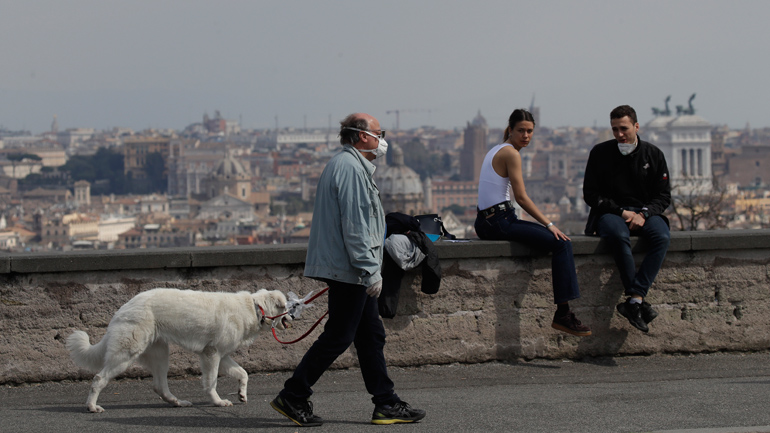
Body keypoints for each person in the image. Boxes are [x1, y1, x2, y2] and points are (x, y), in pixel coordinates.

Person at [270, 113, 426, 427]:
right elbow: (356, 228)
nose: (382, 139)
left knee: (370, 336)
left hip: (349, 267)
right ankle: (293, 395)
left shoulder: (347, 165)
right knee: (339, 336)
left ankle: (386, 402)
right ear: (362, 136)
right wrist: (371, 271)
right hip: (351, 269)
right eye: (379, 133)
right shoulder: (351, 169)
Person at [474, 109, 591, 337]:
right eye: (521, 130)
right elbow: (521, 198)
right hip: (499, 221)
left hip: (486, 221)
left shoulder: (496, 149)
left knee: (552, 240)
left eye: (529, 131)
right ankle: (563, 314)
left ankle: (564, 314)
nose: (526, 135)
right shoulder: (511, 153)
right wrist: (549, 224)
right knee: (562, 243)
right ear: (510, 130)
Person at [583, 105, 671, 333]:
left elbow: (663, 196)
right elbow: (590, 194)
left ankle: (635, 299)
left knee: (662, 236)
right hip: (611, 213)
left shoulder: (653, 154)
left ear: (636, 126)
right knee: (618, 235)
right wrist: (622, 212)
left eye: (624, 128)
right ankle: (637, 299)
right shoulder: (600, 153)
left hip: (645, 212)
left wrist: (644, 214)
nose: (619, 134)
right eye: (615, 129)